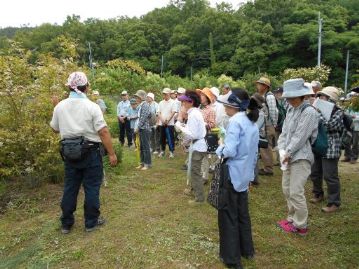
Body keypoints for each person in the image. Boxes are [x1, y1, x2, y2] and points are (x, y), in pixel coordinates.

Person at [50, 72, 117, 234]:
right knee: (92, 187)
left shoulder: (60, 106)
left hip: (69, 152)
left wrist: (56, 108)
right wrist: (112, 154)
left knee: (70, 187)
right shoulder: (92, 107)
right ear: (86, 87)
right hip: (90, 152)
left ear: (68, 86)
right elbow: (103, 132)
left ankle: (66, 223)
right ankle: (91, 222)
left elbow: (54, 128)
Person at [215, 88, 260, 269]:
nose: (224, 106)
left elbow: (230, 151)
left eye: (226, 103)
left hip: (232, 173)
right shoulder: (251, 122)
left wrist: (220, 147)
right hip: (245, 173)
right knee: (242, 214)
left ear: (233, 104)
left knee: (228, 215)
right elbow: (254, 152)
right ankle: (247, 250)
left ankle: (231, 258)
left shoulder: (235, 122)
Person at [276, 78, 319, 236]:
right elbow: (285, 132)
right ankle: (292, 219)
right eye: (288, 97)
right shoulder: (291, 110)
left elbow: (301, 136)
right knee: (287, 189)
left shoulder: (309, 112)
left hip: (301, 157)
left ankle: (301, 225)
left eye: (293, 97)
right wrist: (281, 150)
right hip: (287, 156)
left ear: (302, 96)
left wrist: (288, 152)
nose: (289, 100)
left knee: (296, 191)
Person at [310, 86, 344, 213]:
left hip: (331, 148)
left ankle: (334, 202)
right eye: (319, 96)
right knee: (315, 172)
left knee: (330, 176)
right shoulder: (317, 110)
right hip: (318, 146)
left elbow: (329, 126)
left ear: (331, 99)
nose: (320, 98)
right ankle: (318, 193)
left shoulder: (338, 112)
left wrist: (319, 114)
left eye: (323, 96)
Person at [175, 91, 207, 204]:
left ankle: (199, 199)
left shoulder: (193, 114)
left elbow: (191, 134)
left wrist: (179, 126)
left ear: (191, 102)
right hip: (197, 145)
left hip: (198, 146)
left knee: (195, 172)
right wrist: (184, 126)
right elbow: (192, 130)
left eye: (184, 101)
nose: (182, 103)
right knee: (193, 170)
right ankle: (194, 190)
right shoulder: (194, 113)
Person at [256, 77, 278, 176]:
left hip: (268, 125)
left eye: (260, 84)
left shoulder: (269, 96)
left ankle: (268, 169)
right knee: (264, 146)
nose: (257, 86)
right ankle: (267, 167)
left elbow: (273, 111)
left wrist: (273, 124)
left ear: (265, 86)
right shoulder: (263, 95)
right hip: (264, 125)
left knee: (266, 146)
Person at [197, 88, 216, 184]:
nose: (200, 97)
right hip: (197, 135)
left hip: (205, 136)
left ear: (207, 98)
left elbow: (212, 124)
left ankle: (204, 176)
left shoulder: (211, 110)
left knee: (204, 156)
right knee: (197, 156)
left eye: (202, 95)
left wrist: (204, 124)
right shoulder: (198, 108)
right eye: (200, 95)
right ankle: (199, 174)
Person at [134, 90, 152, 170]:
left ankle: (147, 164)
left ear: (141, 97)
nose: (136, 98)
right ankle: (142, 163)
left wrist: (138, 127)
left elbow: (143, 118)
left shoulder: (145, 105)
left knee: (146, 147)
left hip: (145, 129)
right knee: (141, 147)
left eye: (137, 97)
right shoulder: (141, 105)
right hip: (141, 128)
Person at [158, 88, 178, 158]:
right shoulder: (160, 102)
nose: (164, 95)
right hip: (162, 123)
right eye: (163, 94)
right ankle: (162, 151)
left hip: (170, 124)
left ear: (169, 94)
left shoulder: (173, 102)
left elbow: (173, 112)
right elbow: (158, 112)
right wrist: (162, 120)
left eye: (166, 94)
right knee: (162, 138)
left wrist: (167, 120)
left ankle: (171, 151)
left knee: (170, 138)